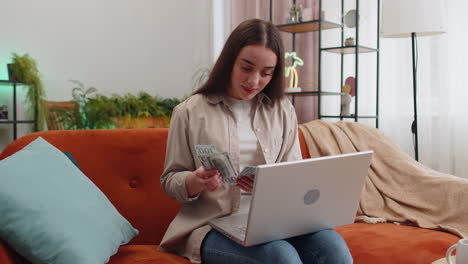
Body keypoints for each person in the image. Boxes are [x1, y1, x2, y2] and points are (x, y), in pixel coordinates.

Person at [159, 18, 352, 264]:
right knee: (281, 257)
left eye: (266, 73)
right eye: (246, 68)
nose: (254, 81)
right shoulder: (189, 112)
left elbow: (294, 173)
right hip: (213, 225)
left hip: (275, 221)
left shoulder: (282, 110)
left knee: (334, 249)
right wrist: (193, 181)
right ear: (230, 61)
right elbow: (169, 180)